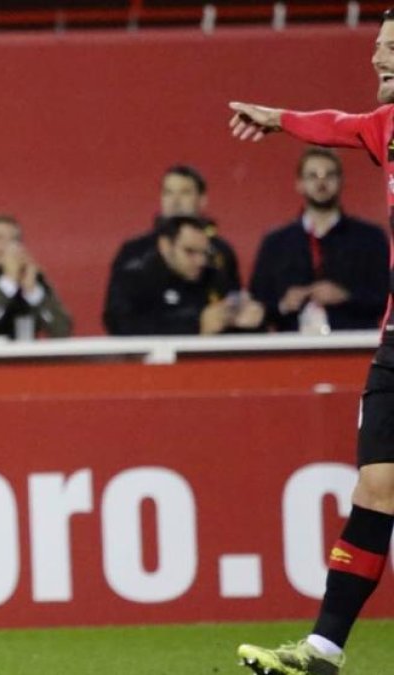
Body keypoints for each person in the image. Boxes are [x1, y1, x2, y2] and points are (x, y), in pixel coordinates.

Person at [227, 10, 394, 674]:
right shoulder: (389, 126)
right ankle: (322, 650)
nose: (376, 59)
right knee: (375, 489)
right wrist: (282, 117)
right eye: (378, 47)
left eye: (390, 48)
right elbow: (342, 125)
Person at [249, 147, 388, 333]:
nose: (321, 183)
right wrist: (284, 304)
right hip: (290, 349)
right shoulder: (275, 243)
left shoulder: (370, 238)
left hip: (354, 345)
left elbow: (386, 296)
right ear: (299, 183)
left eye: (329, 175)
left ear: (341, 181)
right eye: (313, 176)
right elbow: (256, 303)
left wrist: (346, 297)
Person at [105, 165, 242, 328]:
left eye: (184, 193)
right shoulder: (134, 252)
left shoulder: (221, 252)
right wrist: (195, 324)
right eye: (168, 193)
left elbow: (232, 303)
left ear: (202, 200)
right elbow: (119, 319)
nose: (175, 201)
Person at [103, 215, 264, 336]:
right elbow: (121, 325)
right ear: (165, 246)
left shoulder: (213, 276)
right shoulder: (135, 278)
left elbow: (233, 317)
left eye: (204, 253)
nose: (200, 261)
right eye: (190, 252)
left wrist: (250, 320)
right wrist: (196, 324)